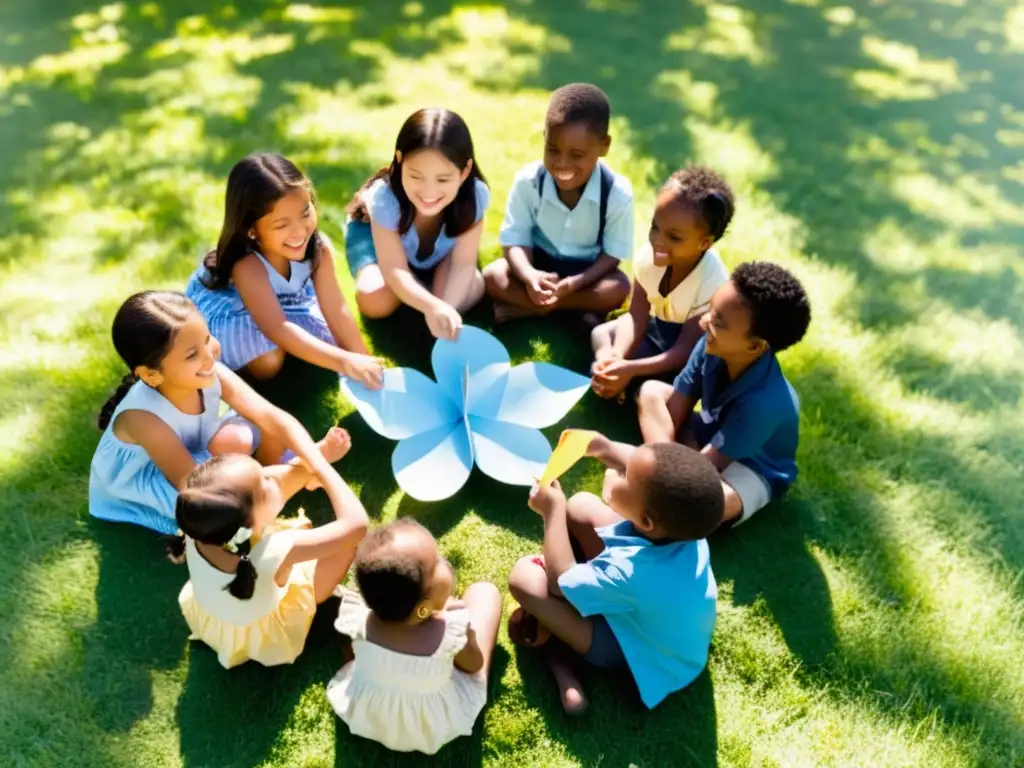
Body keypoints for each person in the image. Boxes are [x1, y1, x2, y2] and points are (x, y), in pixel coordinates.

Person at [90, 291, 344, 534]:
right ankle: (290, 478)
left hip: (193, 452)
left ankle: (277, 477)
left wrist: (312, 458)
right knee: (220, 510)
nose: (210, 356)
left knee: (255, 430)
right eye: (192, 354)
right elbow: (199, 490)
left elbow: (272, 417)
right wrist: (312, 464)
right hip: (166, 481)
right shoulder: (144, 421)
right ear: (151, 374)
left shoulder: (211, 372)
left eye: (206, 338)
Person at [508, 435, 723, 713]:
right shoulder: (682, 526)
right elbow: (647, 470)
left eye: (625, 477)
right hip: (654, 626)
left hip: (637, 652)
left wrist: (552, 512)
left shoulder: (633, 573)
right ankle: (560, 631)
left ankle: (561, 661)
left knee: (525, 579)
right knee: (582, 506)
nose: (616, 470)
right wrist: (603, 446)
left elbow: (560, 582)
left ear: (646, 521)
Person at [171, 428, 367, 668]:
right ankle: (317, 599)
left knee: (272, 498)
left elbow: (275, 484)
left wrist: (320, 453)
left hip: (216, 617)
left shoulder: (201, 522)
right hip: (266, 629)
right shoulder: (277, 550)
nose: (272, 478)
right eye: (265, 486)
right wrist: (325, 473)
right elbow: (356, 526)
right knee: (346, 546)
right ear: (249, 525)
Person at [638, 262, 812, 527]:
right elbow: (676, 406)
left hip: (749, 468)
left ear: (754, 346)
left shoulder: (764, 403)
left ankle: (660, 479)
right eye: (710, 309)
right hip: (712, 435)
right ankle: (662, 477)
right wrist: (675, 451)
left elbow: (707, 470)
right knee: (651, 392)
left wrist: (682, 453)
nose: (704, 321)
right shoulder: (711, 345)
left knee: (717, 502)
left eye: (718, 321)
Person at [184, 153, 382, 385]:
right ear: (251, 230)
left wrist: (364, 360)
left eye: (305, 213)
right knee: (269, 360)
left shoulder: (318, 249)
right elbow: (277, 327)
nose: (299, 231)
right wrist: (345, 362)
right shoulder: (247, 264)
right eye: (282, 225)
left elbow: (336, 310)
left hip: (282, 301)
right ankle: (242, 373)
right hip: (231, 308)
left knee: (328, 343)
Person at [327, 518, 502, 754]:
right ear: (423, 608)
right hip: (431, 723)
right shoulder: (449, 632)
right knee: (485, 593)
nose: (443, 561)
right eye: (437, 562)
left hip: (371, 716)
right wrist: (467, 636)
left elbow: (350, 649)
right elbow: (473, 666)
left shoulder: (358, 619)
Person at [483, 83, 632, 324]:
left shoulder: (617, 192)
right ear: (544, 137)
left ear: (604, 146)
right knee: (492, 276)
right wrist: (530, 275)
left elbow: (613, 255)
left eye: (577, 155)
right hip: (537, 266)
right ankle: (570, 313)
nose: (561, 164)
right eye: (553, 149)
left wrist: (576, 283)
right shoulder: (528, 181)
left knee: (619, 287)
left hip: (586, 275)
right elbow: (514, 241)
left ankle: (536, 309)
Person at [345, 108, 489, 340]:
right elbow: (395, 269)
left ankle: (428, 282)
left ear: (465, 171)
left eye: (443, 179)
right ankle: (421, 286)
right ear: (400, 161)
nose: (429, 192)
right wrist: (431, 306)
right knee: (374, 300)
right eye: (416, 176)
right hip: (377, 241)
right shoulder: (384, 198)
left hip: (439, 252)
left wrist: (445, 309)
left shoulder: (474, 196)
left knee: (468, 290)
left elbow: (463, 264)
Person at [590, 166, 733, 399]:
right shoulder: (649, 258)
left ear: (704, 243)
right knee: (600, 334)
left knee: (652, 387)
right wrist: (615, 358)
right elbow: (637, 317)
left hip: (687, 356)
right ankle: (615, 371)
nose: (658, 241)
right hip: (657, 331)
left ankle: (634, 387)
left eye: (674, 237)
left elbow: (683, 352)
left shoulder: (712, 283)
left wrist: (630, 368)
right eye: (655, 227)